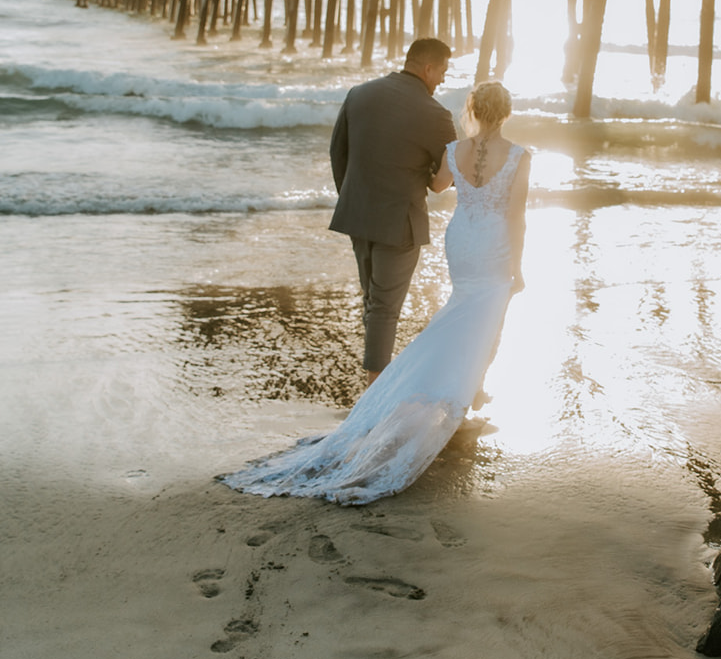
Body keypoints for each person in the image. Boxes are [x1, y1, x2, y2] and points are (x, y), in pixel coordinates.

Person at [222, 82, 529, 505]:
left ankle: (460, 395)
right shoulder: (518, 156)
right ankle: (461, 396)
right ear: (507, 113)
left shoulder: (454, 149)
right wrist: (518, 266)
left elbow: (439, 186)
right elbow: (516, 215)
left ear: (473, 109)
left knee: (461, 314)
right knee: (485, 322)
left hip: (462, 241)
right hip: (493, 244)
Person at [329, 38, 456, 381]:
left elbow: (337, 153)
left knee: (373, 302)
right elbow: (448, 173)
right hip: (400, 224)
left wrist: (353, 198)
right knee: (384, 308)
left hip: (357, 216)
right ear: (428, 68)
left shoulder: (359, 94)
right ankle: (373, 395)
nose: (443, 79)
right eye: (443, 71)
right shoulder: (435, 113)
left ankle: (373, 382)